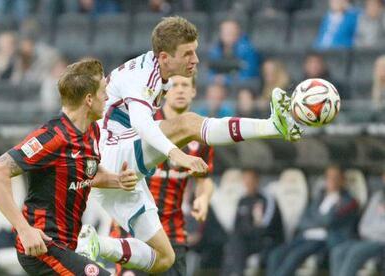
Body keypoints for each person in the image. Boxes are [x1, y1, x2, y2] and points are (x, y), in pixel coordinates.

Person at [76, 16, 302, 274]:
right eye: (187, 53)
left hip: (126, 175)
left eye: (194, 51)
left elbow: (200, 173)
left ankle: (96, 244)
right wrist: (177, 154)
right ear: (164, 57)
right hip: (109, 154)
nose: (195, 59)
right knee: (188, 124)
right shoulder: (142, 76)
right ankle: (274, 126)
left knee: (163, 257)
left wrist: (203, 195)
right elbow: (141, 123)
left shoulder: (160, 75)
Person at [0, 59, 138, 275]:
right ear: (89, 99)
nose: (108, 97)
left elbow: (87, 173)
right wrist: (24, 229)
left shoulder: (92, 131)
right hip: (42, 246)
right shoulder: (52, 137)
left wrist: (117, 180)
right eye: (104, 91)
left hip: (67, 246)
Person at [115, 74, 215, 276]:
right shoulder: (144, 126)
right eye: (175, 85)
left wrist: (203, 197)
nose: (180, 90)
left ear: (193, 91)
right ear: (166, 91)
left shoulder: (200, 136)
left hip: (174, 232)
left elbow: (205, 179)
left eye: (185, 85)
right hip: (137, 230)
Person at [266, 164, 359, 276]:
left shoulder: (348, 201)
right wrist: (318, 221)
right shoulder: (318, 198)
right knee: (275, 255)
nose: (331, 180)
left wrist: (315, 220)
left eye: (335, 177)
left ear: (342, 180)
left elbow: (329, 220)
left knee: (294, 256)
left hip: (325, 239)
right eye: (328, 177)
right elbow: (302, 220)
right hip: (305, 236)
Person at [221, 168, 284, 276]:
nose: (248, 183)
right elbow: (236, 225)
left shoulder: (267, 199)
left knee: (236, 245)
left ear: (257, 180)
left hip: (267, 240)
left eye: (250, 180)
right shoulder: (243, 200)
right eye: (245, 180)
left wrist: (248, 232)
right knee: (232, 246)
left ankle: (237, 273)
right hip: (247, 241)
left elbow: (266, 226)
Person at [330, 169, 385, 276]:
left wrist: (374, 232)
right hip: (367, 239)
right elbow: (363, 224)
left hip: (381, 242)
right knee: (338, 251)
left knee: (355, 252)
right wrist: (372, 232)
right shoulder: (377, 197)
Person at [208, 19, 260, 86]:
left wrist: (226, 79)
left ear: (238, 33)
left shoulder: (249, 50)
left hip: (244, 86)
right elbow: (211, 72)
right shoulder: (215, 50)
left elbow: (249, 74)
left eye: (231, 32)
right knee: (214, 90)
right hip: (221, 85)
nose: (228, 36)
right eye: (225, 33)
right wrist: (214, 79)